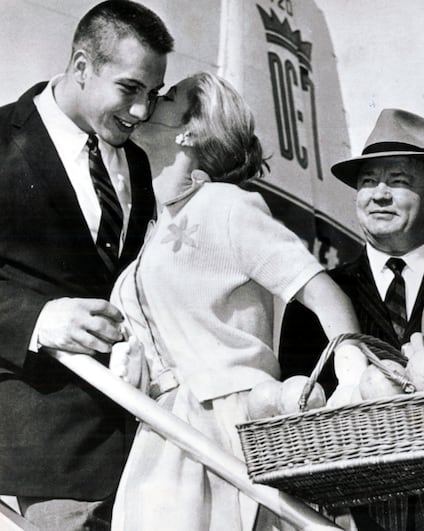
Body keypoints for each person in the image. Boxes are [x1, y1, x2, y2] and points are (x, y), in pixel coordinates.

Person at [108, 71, 361, 531]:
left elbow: (323, 292)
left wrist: (354, 377)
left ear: (192, 130)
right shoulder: (155, 226)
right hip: (166, 432)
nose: (147, 104)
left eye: (166, 97)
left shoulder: (227, 206)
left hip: (228, 426)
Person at [0, 2, 173, 529]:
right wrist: (39, 321)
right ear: (81, 66)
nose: (142, 112)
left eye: (153, 95)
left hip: (135, 458)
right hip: (38, 459)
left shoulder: (139, 163)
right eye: (129, 89)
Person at [279, 109, 424, 530]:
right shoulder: (314, 299)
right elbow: (298, 413)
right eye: (367, 182)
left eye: (398, 181)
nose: (379, 194)